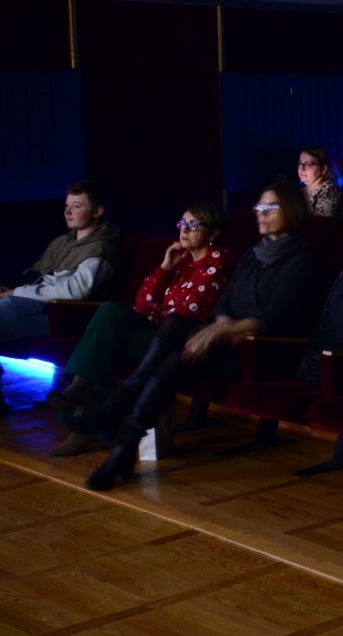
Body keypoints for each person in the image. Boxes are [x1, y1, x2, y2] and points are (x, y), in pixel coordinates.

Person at [85, 184, 326, 491]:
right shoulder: (253, 255)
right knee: (175, 345)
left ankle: (117, 413)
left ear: (291, 211)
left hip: (264, 352)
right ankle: (123, 449)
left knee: (177, 341)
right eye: (259, 207)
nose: (260, 214)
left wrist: (221, 330)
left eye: (270, 208)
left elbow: (277, 321)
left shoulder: (303, 263)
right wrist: (221, 324)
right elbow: (225, 302)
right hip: (229, 341)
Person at [44, 200, 232, 456]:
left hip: (179, 340)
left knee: (105, 347)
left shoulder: (219, 260)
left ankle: (81, 410)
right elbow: (141, 304)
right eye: (182, 223)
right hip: (155, 328)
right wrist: (165, 268)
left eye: (194, 225)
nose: (184, 230)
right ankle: (82, 399)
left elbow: (190, 313)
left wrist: (157, 311)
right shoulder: (180, 260)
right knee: (110, 310)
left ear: (213, 233)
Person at [0, 181, 123, 345]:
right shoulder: (62, 242)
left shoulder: (101, 248)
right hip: (33, 303)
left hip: (61, 315)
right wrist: (10, 288)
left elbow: (75, 292)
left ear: (97, 211)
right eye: (67, 205)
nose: (67, 211)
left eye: (76, 206)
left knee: (6, 308)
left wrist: (16, 293)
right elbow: (37, 272)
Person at [297, 147, 343, 219]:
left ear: (323, 169)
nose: (302, 168)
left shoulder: (330, 190)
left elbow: (321, 223)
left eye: (308, 164)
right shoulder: (300, 190)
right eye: (300, 163)